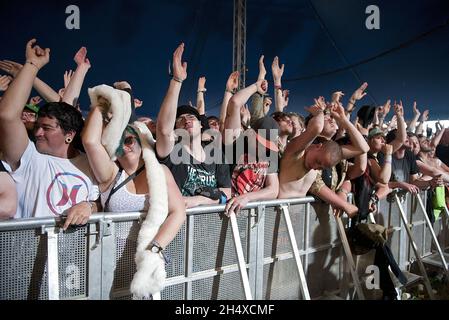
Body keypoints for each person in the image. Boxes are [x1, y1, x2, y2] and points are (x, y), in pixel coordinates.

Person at [0, 39, 99, 229]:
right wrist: (32, 65)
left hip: (75, 257)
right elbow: (7, 115)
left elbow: (100, 201)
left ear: (69, 135)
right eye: (37, 125)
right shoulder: (28, 157)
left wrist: (89, 206)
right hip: (25, 255)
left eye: (46, 128)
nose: (37, 132)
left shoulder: (90, 162)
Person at [82, 98, 185, 253]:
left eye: (129, 140)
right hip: (109, 258)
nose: (124, 146)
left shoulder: (160, 171)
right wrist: (102, 101)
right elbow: (90, 141)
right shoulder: (110, 174)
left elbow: (178, 212)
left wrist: (153, 249)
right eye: (117, 143)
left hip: (150, 258)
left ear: (140, 142)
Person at [155, 43, 231, 207]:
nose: (186, 120)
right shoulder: (171, 151)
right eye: (180, 120)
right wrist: (177, 80)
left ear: (201, 125)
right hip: (177, 227)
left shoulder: (216, 155)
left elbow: (227, 193)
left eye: (191, 117)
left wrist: (199, 200)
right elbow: (163, 129)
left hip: (209, 227)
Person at [278, 99, 343, 199]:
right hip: (276, 212)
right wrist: (319, 112)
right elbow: (316, 127)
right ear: (318, 146)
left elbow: (362, 149)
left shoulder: (313, 165)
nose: (315, 167)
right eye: (317, 161)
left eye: (320, 168)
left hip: (299, 213)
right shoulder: (295, 152)